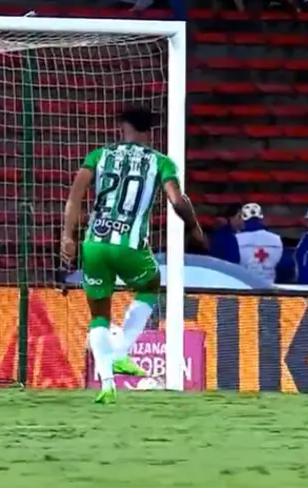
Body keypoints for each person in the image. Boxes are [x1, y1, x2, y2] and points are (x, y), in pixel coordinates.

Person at [60, 107, 206, 404]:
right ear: (149, 131)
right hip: (130, 246)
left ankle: (107, 384)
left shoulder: (98, 156)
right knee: (150, 284)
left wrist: (67, 235)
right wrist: (195, 228)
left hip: (95, 243)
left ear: (121, 127)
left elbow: (74, 198)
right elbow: (178, 201)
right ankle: (122, 352)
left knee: (99, 315)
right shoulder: (160, 161)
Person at [225, 203, 294, 284]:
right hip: (270, 288)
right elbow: (286, 267)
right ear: (261, 218)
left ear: (242, 218)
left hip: (244, 288)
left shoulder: (235, 239)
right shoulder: (277, 239)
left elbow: (229, 267)